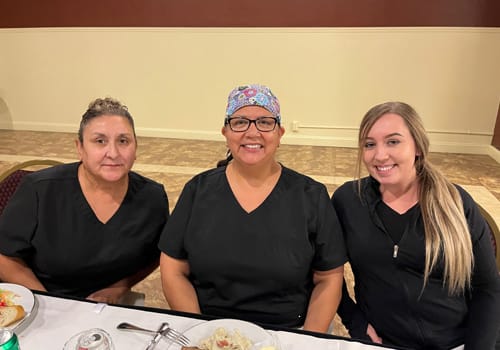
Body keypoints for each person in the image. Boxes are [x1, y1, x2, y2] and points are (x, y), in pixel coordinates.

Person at [159, 84, 347, 332]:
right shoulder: (198, 190)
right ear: (225, 131)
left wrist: (308, 339)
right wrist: (198, 332)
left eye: (264, 122)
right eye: (240, 122)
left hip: (289, 330)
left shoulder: (310, 196)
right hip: (210, 329)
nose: (252, 132)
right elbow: (173, 269)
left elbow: (329, 278)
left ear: (279, 133)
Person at [332, 101, 500, 349]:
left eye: (393, 141)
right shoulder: (348, 201)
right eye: (369, 144)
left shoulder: (455, 202)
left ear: (418, 147)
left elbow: (488, 287)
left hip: (458, 342)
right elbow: (326, 272)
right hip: (384, 343)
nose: (379, 155)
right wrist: (357, 323)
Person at [0, 97, 169, 304]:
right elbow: (4, 257)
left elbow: (156, 254)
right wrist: (49, 302)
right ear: (80, 148)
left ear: (136, 148)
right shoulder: (39, 190)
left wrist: (120, 286)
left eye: (123, 141)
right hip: (39, 299)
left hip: (105, 308)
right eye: (100, 141)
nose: (113, 153)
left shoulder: (152, 197)